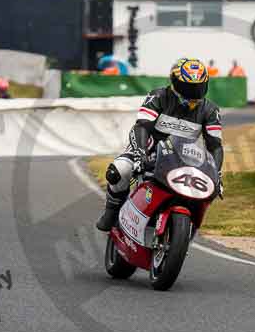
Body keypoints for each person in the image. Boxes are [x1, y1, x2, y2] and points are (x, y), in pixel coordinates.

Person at [96, 58, 224, 231]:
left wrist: (216, 174)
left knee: (205, 192)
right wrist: (140, 154)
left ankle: (183, 229)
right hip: (149, 148)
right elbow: (141, 126)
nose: (194, 92)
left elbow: (215, 145)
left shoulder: (210, 110)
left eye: (199, 87)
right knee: (119, 170)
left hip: (184, 157)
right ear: (175, 83)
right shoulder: (158, 96)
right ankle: (111, 211)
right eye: (188, 87)